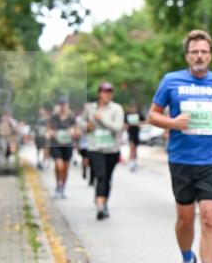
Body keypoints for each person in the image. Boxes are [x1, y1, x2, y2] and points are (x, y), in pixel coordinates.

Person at [148, 30, 212, 263]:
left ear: (211, 55)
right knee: (185, 220)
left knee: (210, 217)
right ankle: (188, 262)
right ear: (187, 56)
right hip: (182, 160)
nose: (199, 56)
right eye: (194, 52)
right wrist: (172, 123)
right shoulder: (171, 81)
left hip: (211, 160)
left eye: (204, 52)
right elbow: (152, 115)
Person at [85, 82, 125, 220]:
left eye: (110, 92)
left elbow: (118, 127)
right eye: (104, 91)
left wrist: (102, 118)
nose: (107, 94)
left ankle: (104, 203)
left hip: (112, 149)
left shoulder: (117, 108)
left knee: (107, 178)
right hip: (95, 148)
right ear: (99, 93)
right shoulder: (90, 108)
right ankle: (100, 205)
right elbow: (81, 125)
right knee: (100, 175)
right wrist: (87, 127)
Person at [48, 96, 78, 199]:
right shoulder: (54, 118)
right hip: (56, 144)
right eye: (61, 104)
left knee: (65, 167)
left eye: (64, 104)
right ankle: (58, 184)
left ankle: (63, 187)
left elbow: (76, 130)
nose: (63, 106)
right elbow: (49, 130)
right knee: (59, 165)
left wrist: (73, 132)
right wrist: (53, 133)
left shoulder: (71, 118)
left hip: (67, 145)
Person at [125, 102, 143, 172]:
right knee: (131, 148)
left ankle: (134, 162)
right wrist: (126, 126)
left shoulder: (139, 114)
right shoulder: (127, 115)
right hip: (130, 134)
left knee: (135, 149)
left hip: (137, 134)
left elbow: (145, 121)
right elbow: (124, 124)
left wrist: (139, 123)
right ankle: (131, 163)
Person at [33, 105, 51, 170]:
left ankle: (45, 162)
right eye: (40, 110)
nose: (41, 111)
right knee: (38, 149)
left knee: (45, 149)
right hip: (38, 137)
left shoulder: (48, 119)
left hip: (45, 137)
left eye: (42, 110)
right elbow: (35, 129)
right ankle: (39, 161)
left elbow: (49, 127)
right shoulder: (37, 119)